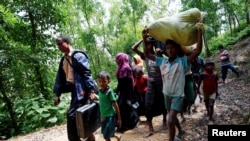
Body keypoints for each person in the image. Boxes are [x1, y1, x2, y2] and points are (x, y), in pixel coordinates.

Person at [143, 18, 203, 141]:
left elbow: (197, 51)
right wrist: (144, 38)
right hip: (166, 94)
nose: (170, 50)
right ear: (166, 49)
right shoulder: (163, 61)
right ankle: (180, 131)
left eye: (172, 48)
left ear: (177, 49)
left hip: (177, 95)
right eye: (168, 48)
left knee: (170, 120)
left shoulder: (182, 62)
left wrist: (199, 31)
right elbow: (147, 55)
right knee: (172, 117)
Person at [53, 35, 98, 141]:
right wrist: (57, 94)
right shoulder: (63, 60)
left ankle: (79, 138)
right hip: (74, 88)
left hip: (82, 88)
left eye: (60, 43)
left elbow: (86, 73)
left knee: (73, 115)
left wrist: (91, 90)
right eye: (57, 45)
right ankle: (90, 137)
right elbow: (60, 78)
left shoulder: (78, 55)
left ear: (67, 42)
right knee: (79, 114)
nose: (59, 47)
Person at [132, 39, 167, 137]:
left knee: (162, 100)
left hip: (160, 81)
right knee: (148, 103)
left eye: (150, 44)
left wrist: (161, 52)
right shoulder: (145, 55)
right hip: (151, 82)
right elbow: (133, 48)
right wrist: (142, 39)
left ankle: (164, 120)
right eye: (146, 44)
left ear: (153, 44)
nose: (148, 46)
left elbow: (167, 59)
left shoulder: (158, 54)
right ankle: (150, 127)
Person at [115, 53, 140, 133]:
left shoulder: (126, 68)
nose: (116, 60)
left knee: (125, 107)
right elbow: (120, 83)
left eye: (117, 58)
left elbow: (129, 83)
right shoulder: (120, 68)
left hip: (127, 92)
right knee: (122, 107)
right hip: (123, 92)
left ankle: (130, 124)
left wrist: (130, 95)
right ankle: (123, 125)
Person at [94, 71, 122, 141]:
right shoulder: (100, 91)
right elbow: (102, 99)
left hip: (110, 116)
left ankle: (115, 136)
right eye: (99, 81)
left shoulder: (109, 92)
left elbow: (115, 105)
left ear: (108, 81)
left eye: (104, 81)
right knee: (105, 133)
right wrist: (95, 96)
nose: (101, 83)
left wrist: (119, 118)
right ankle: (117, 136)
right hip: (103, 116)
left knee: (106, 136)